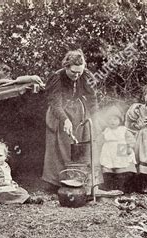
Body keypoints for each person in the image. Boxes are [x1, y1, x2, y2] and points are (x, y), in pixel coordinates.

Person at [42, 49, 99, 190]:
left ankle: (82, 180)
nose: (77, 75)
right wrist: (65, 120)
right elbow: (55, 103)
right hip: (59, 112)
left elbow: (92, 99)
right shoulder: (57, 77)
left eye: (79, 72)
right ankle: (57, 183)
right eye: (73, 72)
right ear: (66, 66)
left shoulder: (86, 76)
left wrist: (96, 117)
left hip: (79, 112)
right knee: (60, 146)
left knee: (81, 145)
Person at [0, 139, 41, 204]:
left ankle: (26, 197)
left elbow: (7, 177)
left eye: (0, 155)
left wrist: (12, 182)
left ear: (5, 156)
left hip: (3, 187)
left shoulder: (5, 165)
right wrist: (8, 183)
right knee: (8, 194)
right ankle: (27, 200)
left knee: (20, 190)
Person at [100, 107, 136, 193]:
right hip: (108, 151)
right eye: (110, 119)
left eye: (115, 119)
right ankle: (111, 187)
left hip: (121, 148)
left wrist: (129, 147)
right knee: (108, 167)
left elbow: (131, 139)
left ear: (119, 120)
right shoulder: (106, 131)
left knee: (122, 167)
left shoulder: (123, 130)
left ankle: (123, 187)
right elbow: (99, 141)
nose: (112, 121)